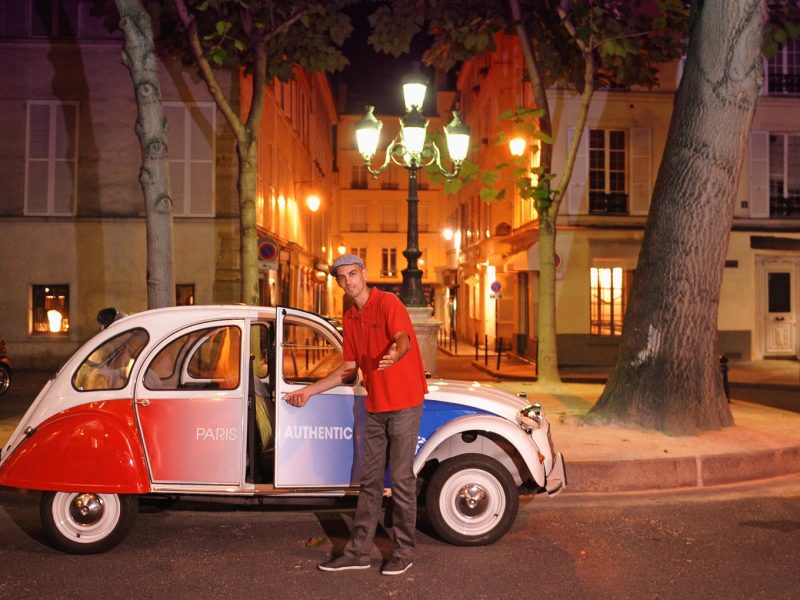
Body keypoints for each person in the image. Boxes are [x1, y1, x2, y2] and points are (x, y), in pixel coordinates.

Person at [284, 254, 428, 576]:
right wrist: (308, 391)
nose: (348, 281)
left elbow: (403, 337)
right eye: (341, 278)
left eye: (352, 274)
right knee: (369, 482)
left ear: (363, 273)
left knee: (402, 480)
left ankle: (403, 552)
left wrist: (396, 351)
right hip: (374, 405)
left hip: (404, 403)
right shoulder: (349, 316)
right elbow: (348, 370)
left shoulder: (388, 302)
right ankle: (359, 551)